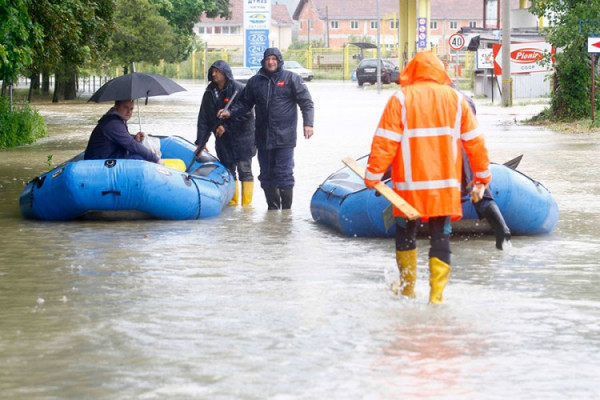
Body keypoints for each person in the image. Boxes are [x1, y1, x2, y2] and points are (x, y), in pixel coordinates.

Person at [364, 51, 492, 304]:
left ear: (410, 71)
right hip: (444, 187)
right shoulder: (456, 99)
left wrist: (372, 176)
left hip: (409, 186)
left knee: (405, 233)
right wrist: (482, 177)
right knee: (440, 235)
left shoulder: (400, 99)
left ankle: (408, 290)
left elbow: (385, 143)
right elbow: (475, 143)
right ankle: (436, 297)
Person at [219, 48, 314, 210]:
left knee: (284, 174)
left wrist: (308, 124)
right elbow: (244, 104)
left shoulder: (292, 79)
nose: (271, 62)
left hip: (285, 137)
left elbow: (306, 103)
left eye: (274, 59)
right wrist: (230, 112)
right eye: (268, 59)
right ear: (264, 61)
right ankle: (272, 210)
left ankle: (286, 213)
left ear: (279, 61)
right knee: (266, 175)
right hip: (262, 137)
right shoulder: (255, 81)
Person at [195, 60, 256, 207]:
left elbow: (246, 114)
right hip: (223, 141)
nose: (214, 74)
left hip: (242, 139)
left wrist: (226, 127)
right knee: (228, 171)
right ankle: (233, 204)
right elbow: (204, 118)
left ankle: (246, 207)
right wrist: (201, 142)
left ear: (225, 73)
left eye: (217, 71)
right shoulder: (209, 92)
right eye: (213, 71)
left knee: (245, 171)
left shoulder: (239, 89)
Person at [459, 92, 511, 250]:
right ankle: (502, 229)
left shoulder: (428, 96)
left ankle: (434, 240)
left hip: (443, 153)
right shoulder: (463, 98)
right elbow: (474, 136)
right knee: (479, 189)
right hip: (465, 149)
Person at [84, 99, 164, 164]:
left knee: (139, 154)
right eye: (126, 107)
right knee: (141, 158)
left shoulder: (117, 120)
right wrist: (156, 159)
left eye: (131, 109)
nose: (129, 112)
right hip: (97, 163)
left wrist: (135, 138)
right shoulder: (113, 123)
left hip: (108, 156)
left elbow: (124, 140)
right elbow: (131, 144)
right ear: (116, 107)